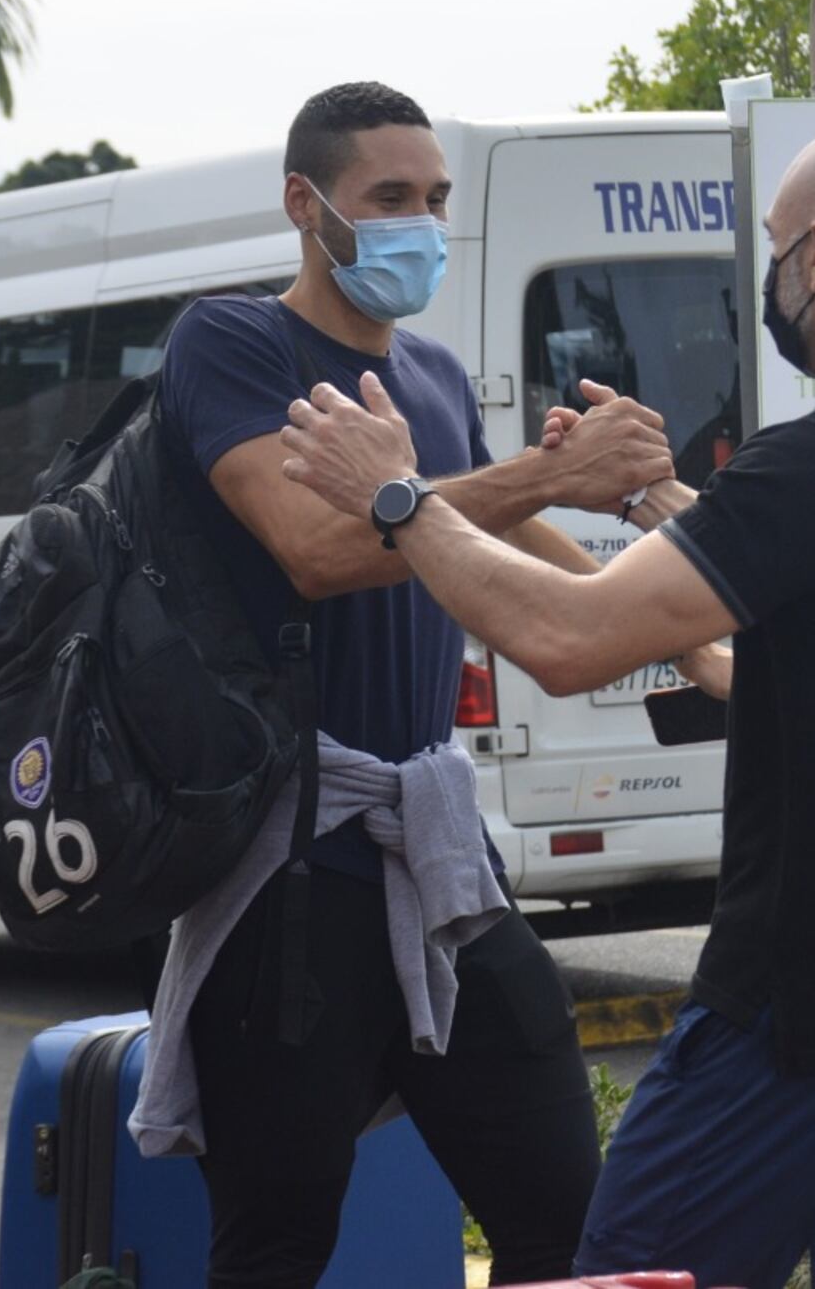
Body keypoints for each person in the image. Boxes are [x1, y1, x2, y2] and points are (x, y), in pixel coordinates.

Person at [280, 116, 815, 1289]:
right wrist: (661, 510)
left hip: (793, 1017)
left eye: (770, 249)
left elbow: (565, 638)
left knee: (631, 1274)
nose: (770, 276)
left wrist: (398, 496)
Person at [129, 82, 684, 1289]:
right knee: (274, 1249)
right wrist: (540, 482)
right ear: (305, 203)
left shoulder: (428, 372)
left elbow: (486, 540)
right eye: (388, 198)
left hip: (438, 860)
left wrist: (682, 608)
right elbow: (321, 549)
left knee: (570, 1224)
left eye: (434, 199)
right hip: (290, 874)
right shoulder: (233, 345)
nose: (419, 225)